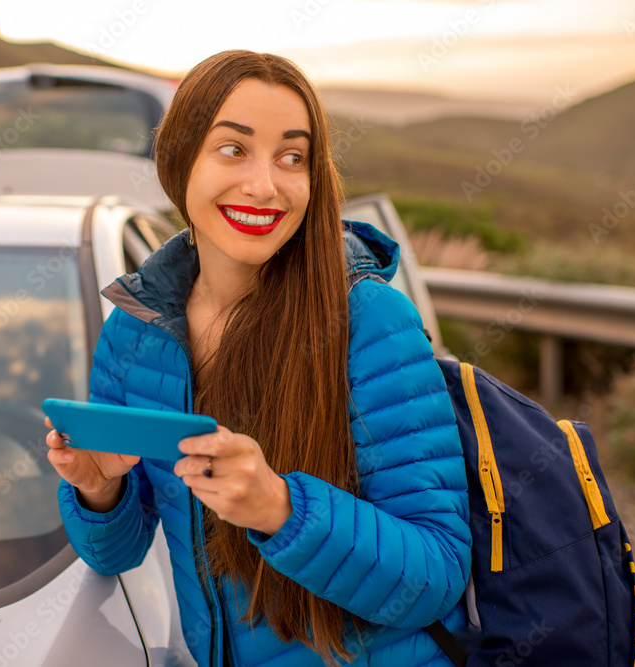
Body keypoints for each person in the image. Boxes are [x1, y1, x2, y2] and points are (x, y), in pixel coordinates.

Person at [46, 49, 471, 666]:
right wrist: (97, 492)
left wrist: (279, 507)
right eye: (233, 149)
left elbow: (434, 577)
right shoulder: (134, 334)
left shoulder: (368, 320)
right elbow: (116, 555)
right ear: (179, 159)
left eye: (292, 158)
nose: (265, 185)